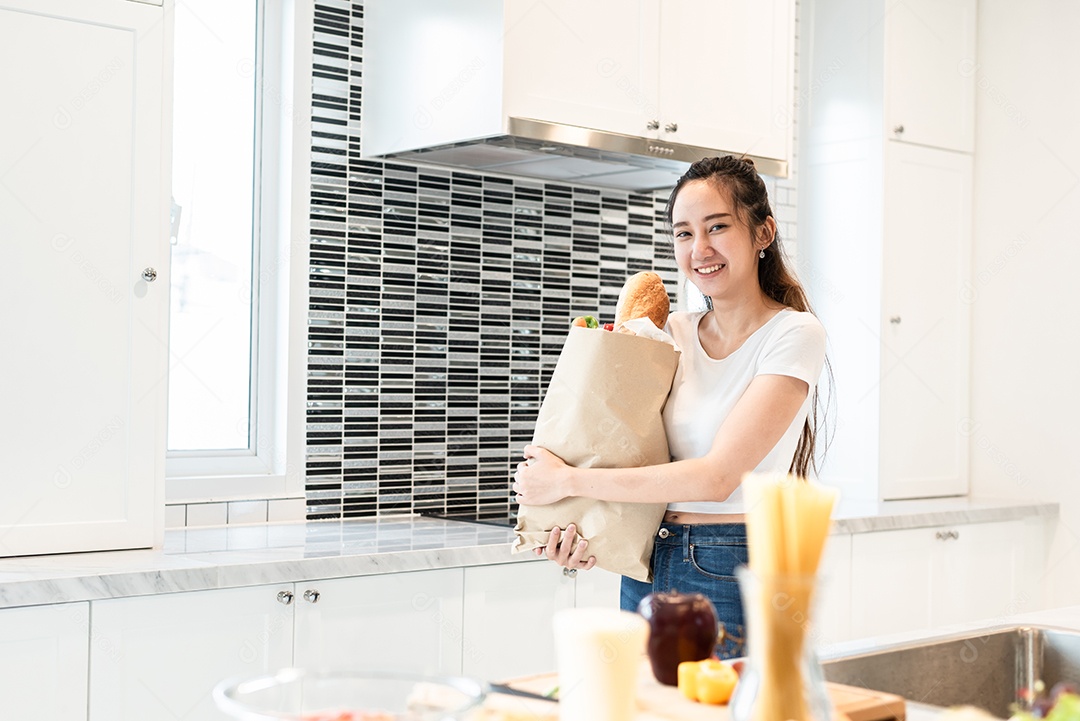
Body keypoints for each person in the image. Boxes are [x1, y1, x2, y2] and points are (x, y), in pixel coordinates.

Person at [512, 155, 829, 658]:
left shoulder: (793, 334)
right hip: (649, 554)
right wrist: (578, 530)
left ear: (763, 232)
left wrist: (568, 482)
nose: (699, 249)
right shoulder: (666, 335)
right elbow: (617, 446)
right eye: (683, 233)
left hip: (730, 565)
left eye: (717, 227)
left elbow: (717, 478)